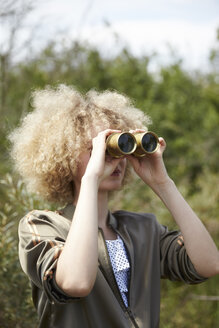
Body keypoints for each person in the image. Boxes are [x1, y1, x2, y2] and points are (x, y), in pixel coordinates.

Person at [9, 84, 219, 328]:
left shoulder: (143, 228)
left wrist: (163, 184)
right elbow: (75, 283)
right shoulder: (42, 226)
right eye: (99, 148)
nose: (114, 158)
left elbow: (209, 264)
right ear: (64, 157)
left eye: (121, 145)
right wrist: (90, 179)